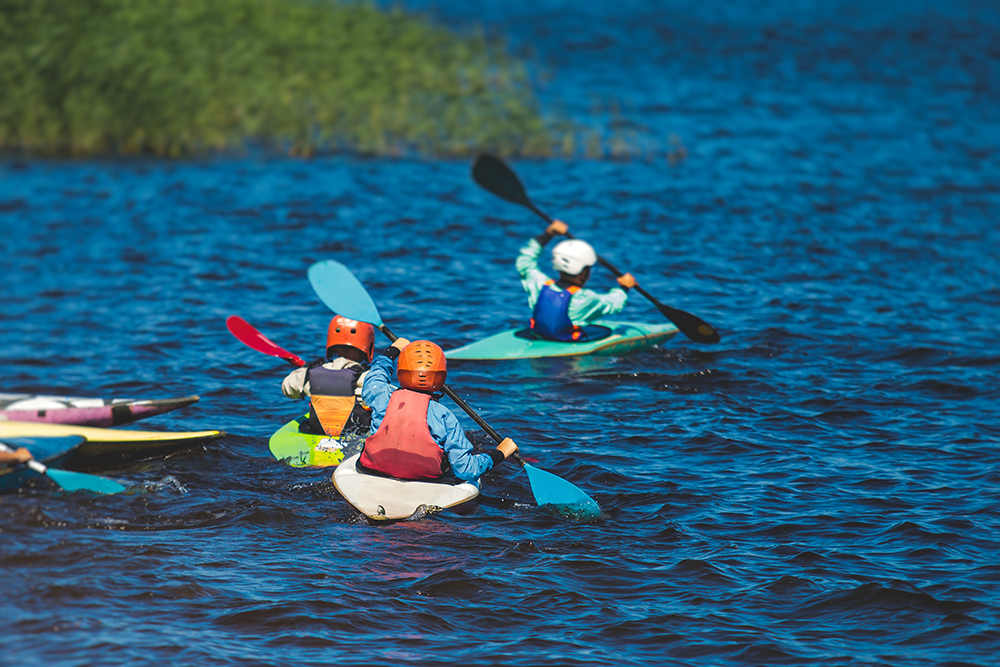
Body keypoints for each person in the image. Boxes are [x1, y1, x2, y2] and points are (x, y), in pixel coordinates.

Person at [358, 338, 518, 482]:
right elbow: (467, 470)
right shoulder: (445, 416)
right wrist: (499, 454)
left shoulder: (380, 394)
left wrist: (392, 351)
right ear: (440, 377)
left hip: (371, 470)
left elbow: (375, 374)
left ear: (401, 372)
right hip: (424, 480)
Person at [515, 219, 638, 341]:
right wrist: (624, 288)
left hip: (539, 335)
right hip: (568, 341)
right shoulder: (584, 299)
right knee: (604, 331)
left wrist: (549, 233)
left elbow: (525, 261)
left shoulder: (540, 285)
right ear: (583, 272)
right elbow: (613, 304)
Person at [282, 315, 375, 437]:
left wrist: (306, 369)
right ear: (368, 346)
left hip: (318, 432)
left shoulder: (309, 373)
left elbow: (287, 388)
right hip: (354, 437)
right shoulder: (368, 378)